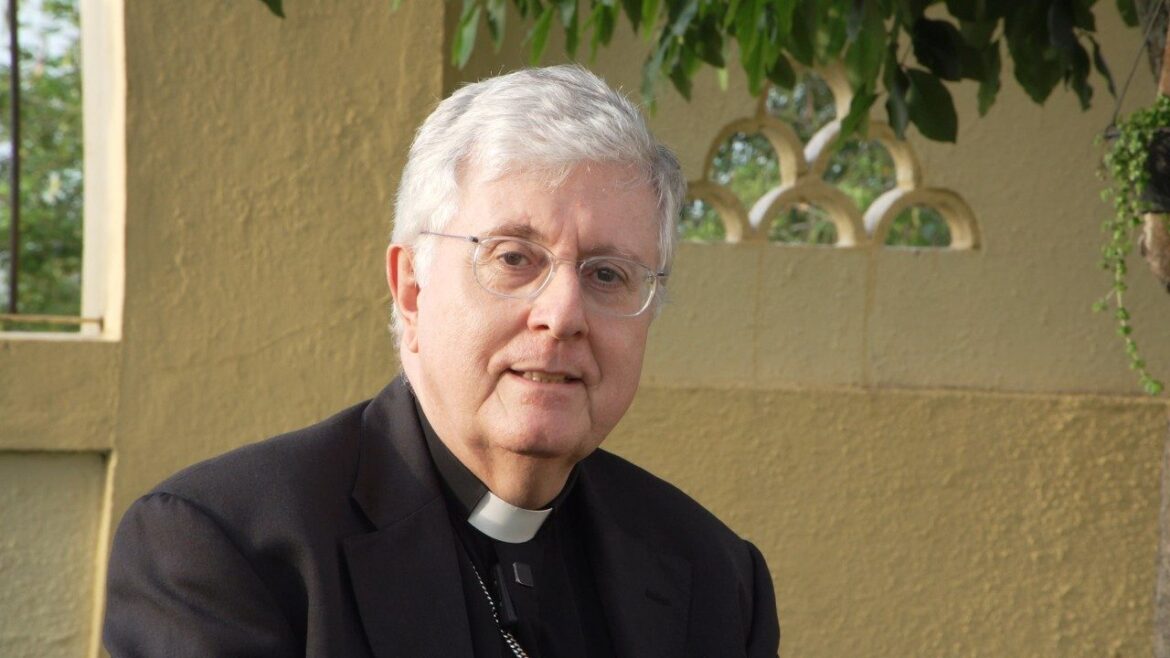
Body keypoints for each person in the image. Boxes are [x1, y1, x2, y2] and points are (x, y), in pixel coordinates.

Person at [103, 65, 780, 657]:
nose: (563, 314)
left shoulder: (717, 578)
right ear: (412, 289)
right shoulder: (226, 550)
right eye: (513, 258)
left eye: (609, 274)